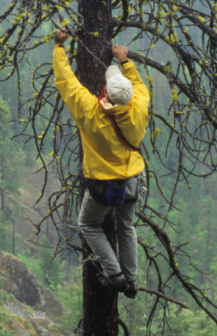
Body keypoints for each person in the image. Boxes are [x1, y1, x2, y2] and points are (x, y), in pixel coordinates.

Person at [52, 29, 149, 297]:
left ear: (105, 90)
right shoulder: (138, 107)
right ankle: (131, 281)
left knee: (89, 225)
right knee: (126, 227)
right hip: (133, 181)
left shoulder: (89, 111)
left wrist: (60, 48)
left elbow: (66, 81)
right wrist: (125, 62)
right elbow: (140, 87)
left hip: (103, 185)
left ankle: (115, 274)